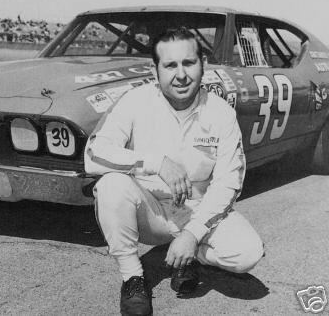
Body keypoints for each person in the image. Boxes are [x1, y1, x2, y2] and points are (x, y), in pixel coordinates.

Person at [85, 27, 264, 315]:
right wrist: (156, 163)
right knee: (111, 185)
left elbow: (229, 183)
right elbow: (94, 155)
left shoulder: (220, 112)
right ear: (155, 70)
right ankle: (132, 277)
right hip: (150, 210)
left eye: (189, 63)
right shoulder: (135, 100)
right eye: (170, 65)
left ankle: (186, 255)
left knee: (247, 254)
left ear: (202, 65)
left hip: (196, 208)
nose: (181, 75)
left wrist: (192, 235)